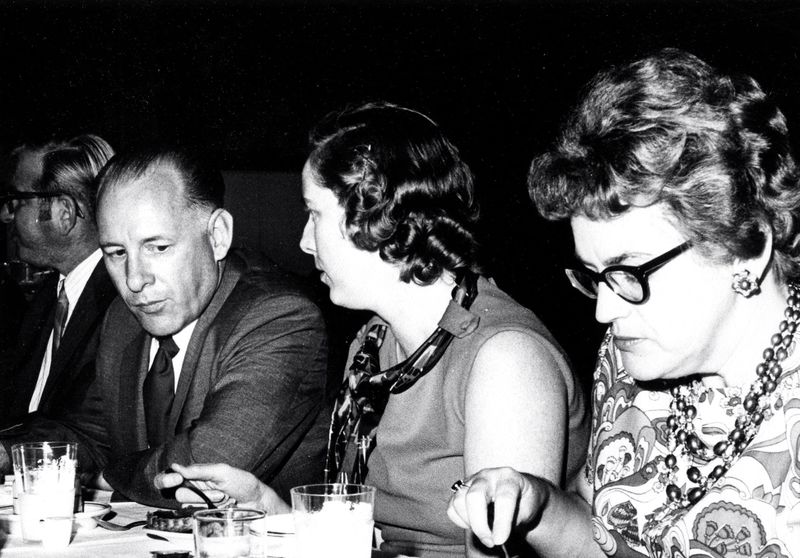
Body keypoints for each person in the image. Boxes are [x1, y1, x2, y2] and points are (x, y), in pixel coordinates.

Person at [156, 102, 589, 558]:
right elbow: (369, 541)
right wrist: (268, 508)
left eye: (314, 214)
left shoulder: (505, 359)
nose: (304, 240)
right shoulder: (373, 346)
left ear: (377, 216)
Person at [447, 49, 800, 558]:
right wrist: (534, 502)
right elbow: (605, 541)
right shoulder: (629, 356)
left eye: (629, 272)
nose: (604, 311)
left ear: (746, 246)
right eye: (594, 277)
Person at [3, 146, 331, 507]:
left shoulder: (279, 318)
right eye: (116, 252)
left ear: (218, 235)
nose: (134, 280)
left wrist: (109, 475)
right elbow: (87, 431)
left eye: (157, 247)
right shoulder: (123, 320)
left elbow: (202, 467)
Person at [0, 135, 117, 435]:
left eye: (16, 200)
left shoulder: (120, 305)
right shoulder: (48, 295)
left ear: (64, 213)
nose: (5, 214)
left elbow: (86, 432)